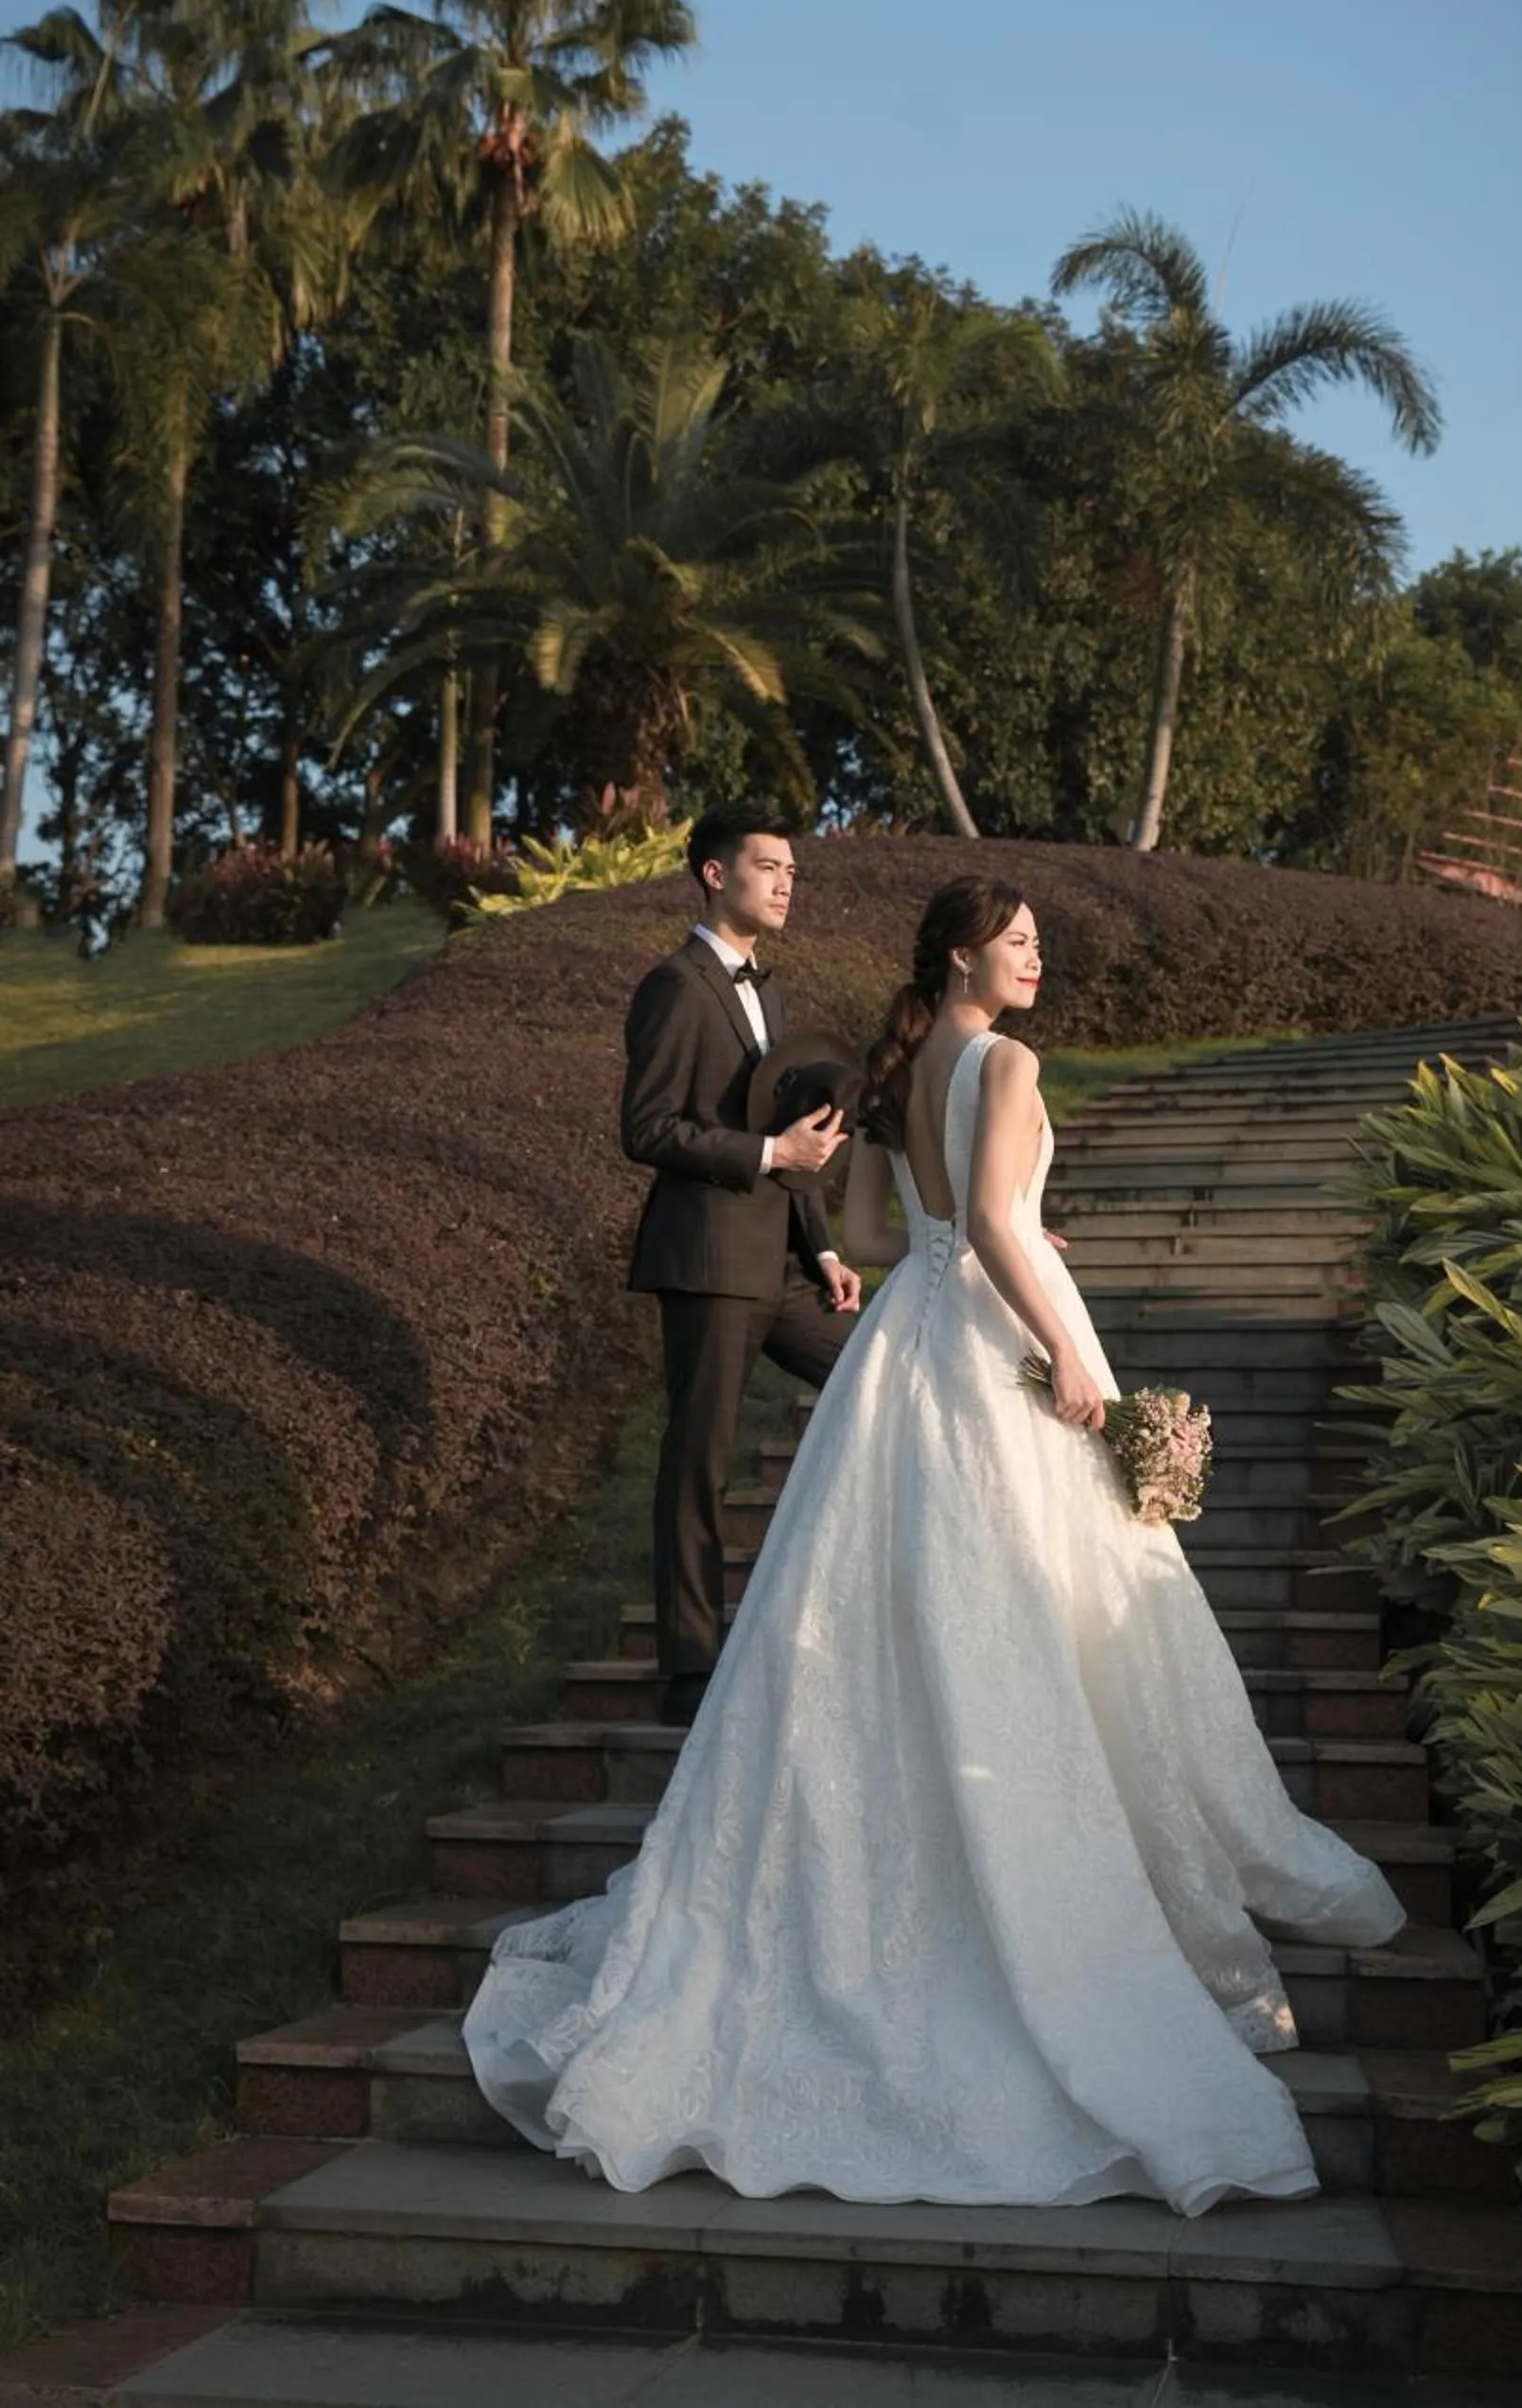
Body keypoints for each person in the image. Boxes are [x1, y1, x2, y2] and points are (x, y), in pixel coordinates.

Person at [465, 877, 1404, 2212]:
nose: (1039, 956)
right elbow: (1011, 1230)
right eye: (1020, 940)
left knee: (890, 1605)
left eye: (1039, 939)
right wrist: (1082, 1363)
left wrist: (954, 1244)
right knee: (1039, 1605)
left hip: (907, 1346)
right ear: (966, 955)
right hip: (997, 1347)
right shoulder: (1007, 1061)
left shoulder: (903, 1067)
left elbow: (867, 1234)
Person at [619, 804, 862, 1727]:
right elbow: (646, 1130)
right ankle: (689, 1667)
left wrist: (826, 1247)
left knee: (872, 1377)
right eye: (767, 867)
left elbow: (789, 1127)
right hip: (708, 1259)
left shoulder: (774, 993)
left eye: (791, 870)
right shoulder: (674, 987)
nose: (784, 882)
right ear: (714, 875)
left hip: (786, 1268)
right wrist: (766, 1158)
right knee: (699, 1461)